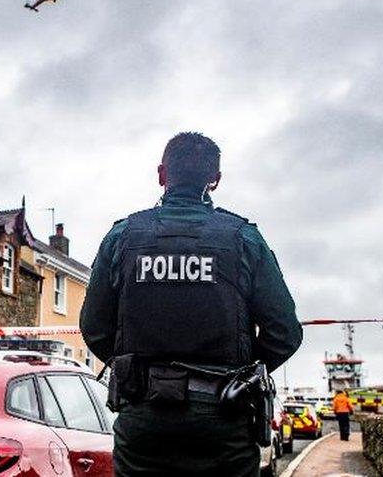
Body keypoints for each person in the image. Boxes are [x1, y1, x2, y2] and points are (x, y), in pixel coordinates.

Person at [81, 132, 303, 476]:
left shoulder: (122, 237)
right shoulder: (243, 238)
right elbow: (284, 332)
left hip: (145, 417)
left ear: (161, 174)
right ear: (215, 180)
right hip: (224, 417)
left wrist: (135, 370)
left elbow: (94, 327)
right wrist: (242, 375)